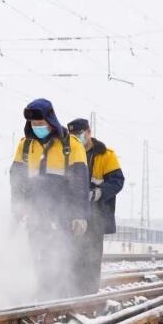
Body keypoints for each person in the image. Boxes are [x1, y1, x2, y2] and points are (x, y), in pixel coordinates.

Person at [10, 98, 89, 299]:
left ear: (51, 121)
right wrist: (17, 208)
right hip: (36, 209)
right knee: (39, 250)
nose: (37, 127)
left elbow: (80, 181)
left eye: (41, 124)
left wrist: (80, 215)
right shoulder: (25, 146)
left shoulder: (71, 145)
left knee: (62, 252)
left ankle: (63, 293)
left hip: (64, 212)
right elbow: (16, 179)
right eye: (34, 124)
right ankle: (44, 290)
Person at [68, 118, 125, 294]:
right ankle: (70, 293)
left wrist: (98, 192)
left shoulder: (106, 155)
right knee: (70, 257)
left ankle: (88, 295)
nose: (76, 138)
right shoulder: (67, 153)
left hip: (96, 217)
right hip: (72, 215)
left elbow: (117, 181)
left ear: (88, 132)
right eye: (72, 135)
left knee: (91, 259)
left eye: (79, 134)